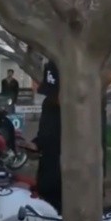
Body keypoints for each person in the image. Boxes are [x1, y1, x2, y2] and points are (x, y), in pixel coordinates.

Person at [35, 60, 63, 213]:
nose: (52, 97)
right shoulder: (48, 105)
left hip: (68, 186)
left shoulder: (80, 113)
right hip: (47, 177)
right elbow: (45, 134)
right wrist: (35, 144)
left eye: (55, 92)